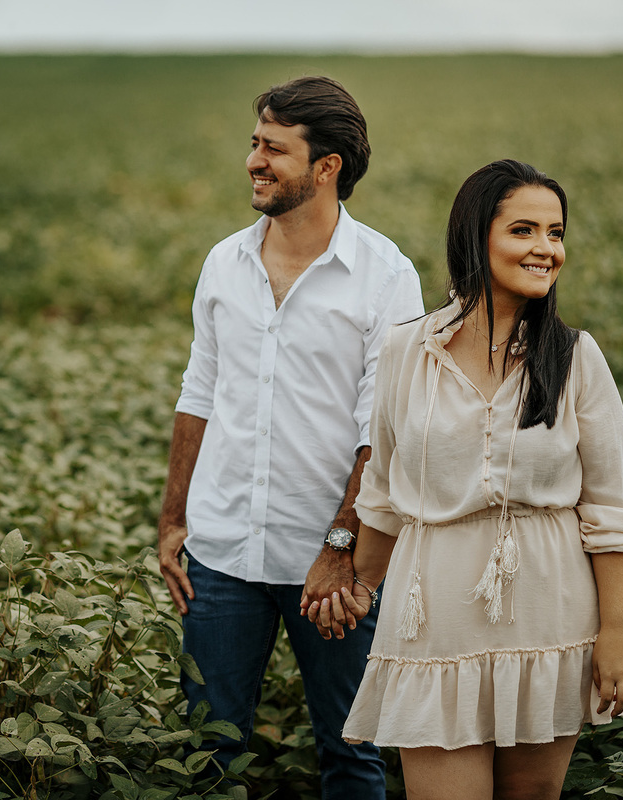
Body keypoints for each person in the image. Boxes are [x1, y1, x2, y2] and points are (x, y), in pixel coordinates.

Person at [307, 159, 623, 799]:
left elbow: (610, 512)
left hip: (551, 616)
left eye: (555, 232)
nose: (546, 249)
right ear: (475, 237)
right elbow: (383, 491)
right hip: (433, 619)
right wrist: (356, 583)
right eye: (524, 230)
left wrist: (618, 634)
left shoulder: (577, 357)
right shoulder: (409, 350)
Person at [157, 76, 424, 799]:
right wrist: (174, 518)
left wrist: (342, 549)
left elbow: (386, 427)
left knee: (351, 754)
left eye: (274, 148)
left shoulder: (386, 276)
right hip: (221, 557)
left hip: (327, 566)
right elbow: (198, 391)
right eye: (254, 144)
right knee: (209, 754)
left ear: (326, 166)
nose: (253, 161)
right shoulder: (224, 262)